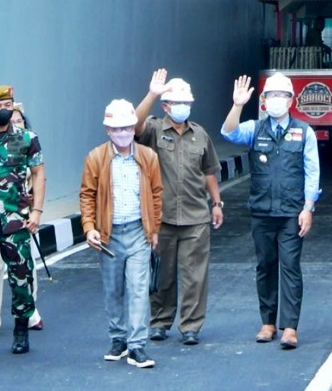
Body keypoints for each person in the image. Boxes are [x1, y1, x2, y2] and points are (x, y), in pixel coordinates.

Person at [221, 73, 320, 350]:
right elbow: (228, 132)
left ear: (292, 100)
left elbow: (313, 172)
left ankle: (290, 327)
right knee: (265, 266)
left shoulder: (304, 132)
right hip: (262, 212)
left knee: (290, 267)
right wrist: (237, 105)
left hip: (291, 213)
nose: (277, 100)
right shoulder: (255, 129)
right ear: (263, 101)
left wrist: (308, 208)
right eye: (272, 95)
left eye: (282, 95)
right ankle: (268, 323)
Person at [135, 70, 223, 346]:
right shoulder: (153, 130)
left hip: (196, 215)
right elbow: (133, 125)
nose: (183, 107)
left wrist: (217, 203)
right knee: (162, 273)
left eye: (186, 103)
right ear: (165, 106)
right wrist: (152, 92)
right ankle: (160, 321)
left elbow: (209, 171)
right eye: (176, 103)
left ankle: (191, 326)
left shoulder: (200, 135)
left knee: (195, 275)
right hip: (161, 217)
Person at [80, 99, 162, 369]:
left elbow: (157, 194)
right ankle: (118, 338)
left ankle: (137, 345)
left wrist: (154, 230)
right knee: (113, 289)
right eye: (117, 129)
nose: (124, 134)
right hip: (109, 234)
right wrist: (89, 227)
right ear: (108, 130)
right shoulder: (96, 158)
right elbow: (87, 195)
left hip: (138, 231)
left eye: (128, 128)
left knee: (139, 289)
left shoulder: (148, 157)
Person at [0, 86, 45, 361]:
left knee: (21, 278)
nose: (4, 110)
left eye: (8, 104)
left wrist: (37, 211)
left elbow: (38, 173)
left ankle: (21, 329)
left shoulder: (27, 138)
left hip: (16, 222)